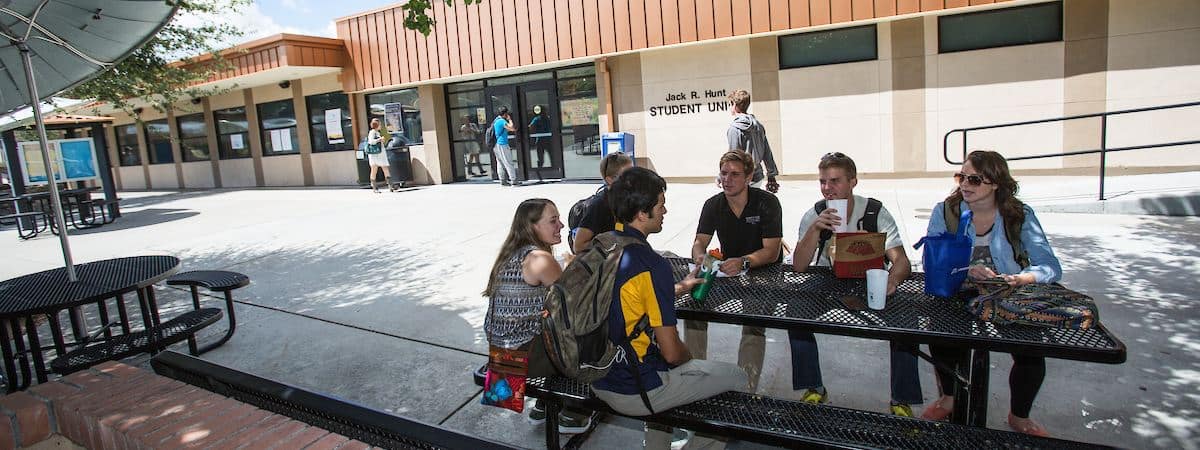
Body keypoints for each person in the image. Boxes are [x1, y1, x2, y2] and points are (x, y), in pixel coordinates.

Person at [591, 167, 748, 450]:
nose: (666, 211)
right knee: (737, 377)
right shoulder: (652, 264)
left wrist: (677, 288)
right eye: (661, 205)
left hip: (594, 373)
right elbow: (673, 353)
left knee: (662, 367)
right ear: (642, 213)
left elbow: (626, 297)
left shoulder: (601, 247)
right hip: (633, 388)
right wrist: (692, 364)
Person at [920, 150, 1062, 437]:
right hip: (958, 288)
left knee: (1031, 350)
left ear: (996, 183)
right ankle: (949, 398)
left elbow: (1050, 266)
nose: (964, 184)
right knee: (942, 336)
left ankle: (1018, 415)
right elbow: (931, 260)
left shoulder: (1018, 215)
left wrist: (1022, 278)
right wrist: (966, 270)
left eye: (974, 179)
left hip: (1008, 293)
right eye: (961, 176)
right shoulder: (946, 211)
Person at [788, 152, 921, 416]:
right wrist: (815, 230)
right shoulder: (815, 214)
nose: (828, 188)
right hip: (827, 279)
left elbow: (901, 261)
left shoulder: (874, 211)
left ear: (853, 182)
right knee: (795, 313)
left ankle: (901, 399)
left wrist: (891, 281)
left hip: (870, 279)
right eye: (823, 182)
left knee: (908, 321)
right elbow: (799, 267)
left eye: (835, 181)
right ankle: (813, 386)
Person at [482, 198, 592, 434]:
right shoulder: (540, 259)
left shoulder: (511, 254)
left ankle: (543, 404)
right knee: (592, 329)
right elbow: (577, 301)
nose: (561, 225)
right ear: (533, 227)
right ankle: (574, 411)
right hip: (522, 360)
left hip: (502, 355)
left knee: (556, 322)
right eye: (553, 221)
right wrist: (574, 267)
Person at [686, 151, 782, 392]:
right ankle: (694, 376)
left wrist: (745, 261)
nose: (727, 179)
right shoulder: (714, 204)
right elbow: (700, 240)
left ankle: (746, 387)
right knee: (694, 307)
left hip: (764, 271)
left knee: (753, 321)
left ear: (749, 177)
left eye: (735, 174)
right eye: (724, 173)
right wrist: (699, 255)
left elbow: (771, 251)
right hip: (728, 270)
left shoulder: (766, 203)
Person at [572, 152, 634, 253]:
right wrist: (612, 243)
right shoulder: (599, 205)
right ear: (610, 180)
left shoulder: (627, 199)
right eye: (627, 176)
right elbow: (579, 246)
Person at [726, 89, 779, 193]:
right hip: (757, 177)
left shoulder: (734, 129)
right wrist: (771, 175)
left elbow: (733, 157)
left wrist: (722, 177)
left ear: (734, 105)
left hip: (742, 179)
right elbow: (767, 152)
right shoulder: (759, 126)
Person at [491, 106, 519, 186]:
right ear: (505, 114)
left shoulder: (496, 121)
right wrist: (510, 119)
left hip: (496, 145)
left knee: (500, 162)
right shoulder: (501, 121)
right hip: (502, 144)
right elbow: (512, 128)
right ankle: (513, 180)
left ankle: (502, 180)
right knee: (508, 162)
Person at [365, 118, 395, 193]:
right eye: (379, 124)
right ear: (376, 125)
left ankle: (390, 185)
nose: (381, 126)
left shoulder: (377, 132)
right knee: (374, 169)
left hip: (380, 153)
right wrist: (379, 139)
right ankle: (374, 187)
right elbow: (371, 141)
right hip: (375, 154)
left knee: (385, 167)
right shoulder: (372, 132)